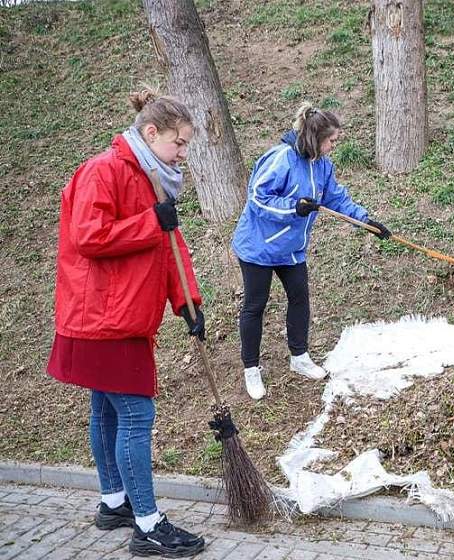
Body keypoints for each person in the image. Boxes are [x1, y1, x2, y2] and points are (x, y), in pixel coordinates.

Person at [47, 87, 207, 557]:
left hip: (122, 316)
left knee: (107, 411)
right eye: (179, 143)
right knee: (136, 415)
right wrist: (151, 222)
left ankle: (115, 502)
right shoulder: (104, 171)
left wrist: (188, 302)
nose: (184, 153)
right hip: (102, 318)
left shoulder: (155, 178)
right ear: (151, 133)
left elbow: (170, 246)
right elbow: (89, 237)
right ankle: (148, 525)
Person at [231, 102, 391, 400]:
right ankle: (251, 368)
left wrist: (366, 221)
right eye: (331, 141)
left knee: (299, 297)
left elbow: (336, 199)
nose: (333, 146)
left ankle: (299, 357)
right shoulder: (280, 158)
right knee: (255, 305)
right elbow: (257, 198)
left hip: (291, 249)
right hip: (259, 247)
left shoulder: (322, 165)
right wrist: (293, 207)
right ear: (316, 138)